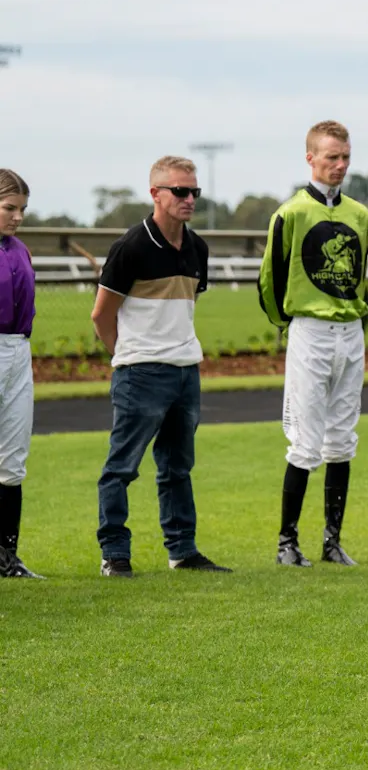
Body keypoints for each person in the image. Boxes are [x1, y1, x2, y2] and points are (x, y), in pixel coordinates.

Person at [91, 157, 229, 576]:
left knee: (177, 468)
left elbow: (185, 308)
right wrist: (129, 356)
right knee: (121, 467)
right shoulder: (130, 247)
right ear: (156, 193)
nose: (189, 199)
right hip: (141, 373)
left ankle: (182, 551)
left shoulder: (197, 248)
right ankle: (115, 554)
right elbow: (101, 316)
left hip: (187, 371)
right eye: (180, 191)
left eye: (194, 192)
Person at [258, 121, 368, 568]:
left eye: (345, 157)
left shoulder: (360, 215)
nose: (340, 165)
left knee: (342, 439)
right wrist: (286, 321)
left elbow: (362, 273)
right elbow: (271, 277)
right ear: (310, 158)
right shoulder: (290, 213)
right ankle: (288, 543)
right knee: (305, 442)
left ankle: (332, 541)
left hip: (350, 332)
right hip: (309, 331)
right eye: (331, 157)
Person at [0, 170, 40, 578]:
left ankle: (7, 556)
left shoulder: (20, 251)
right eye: (9, 208)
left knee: (13, 461)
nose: (17, 217)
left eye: (22, 210)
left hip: (18, 352)